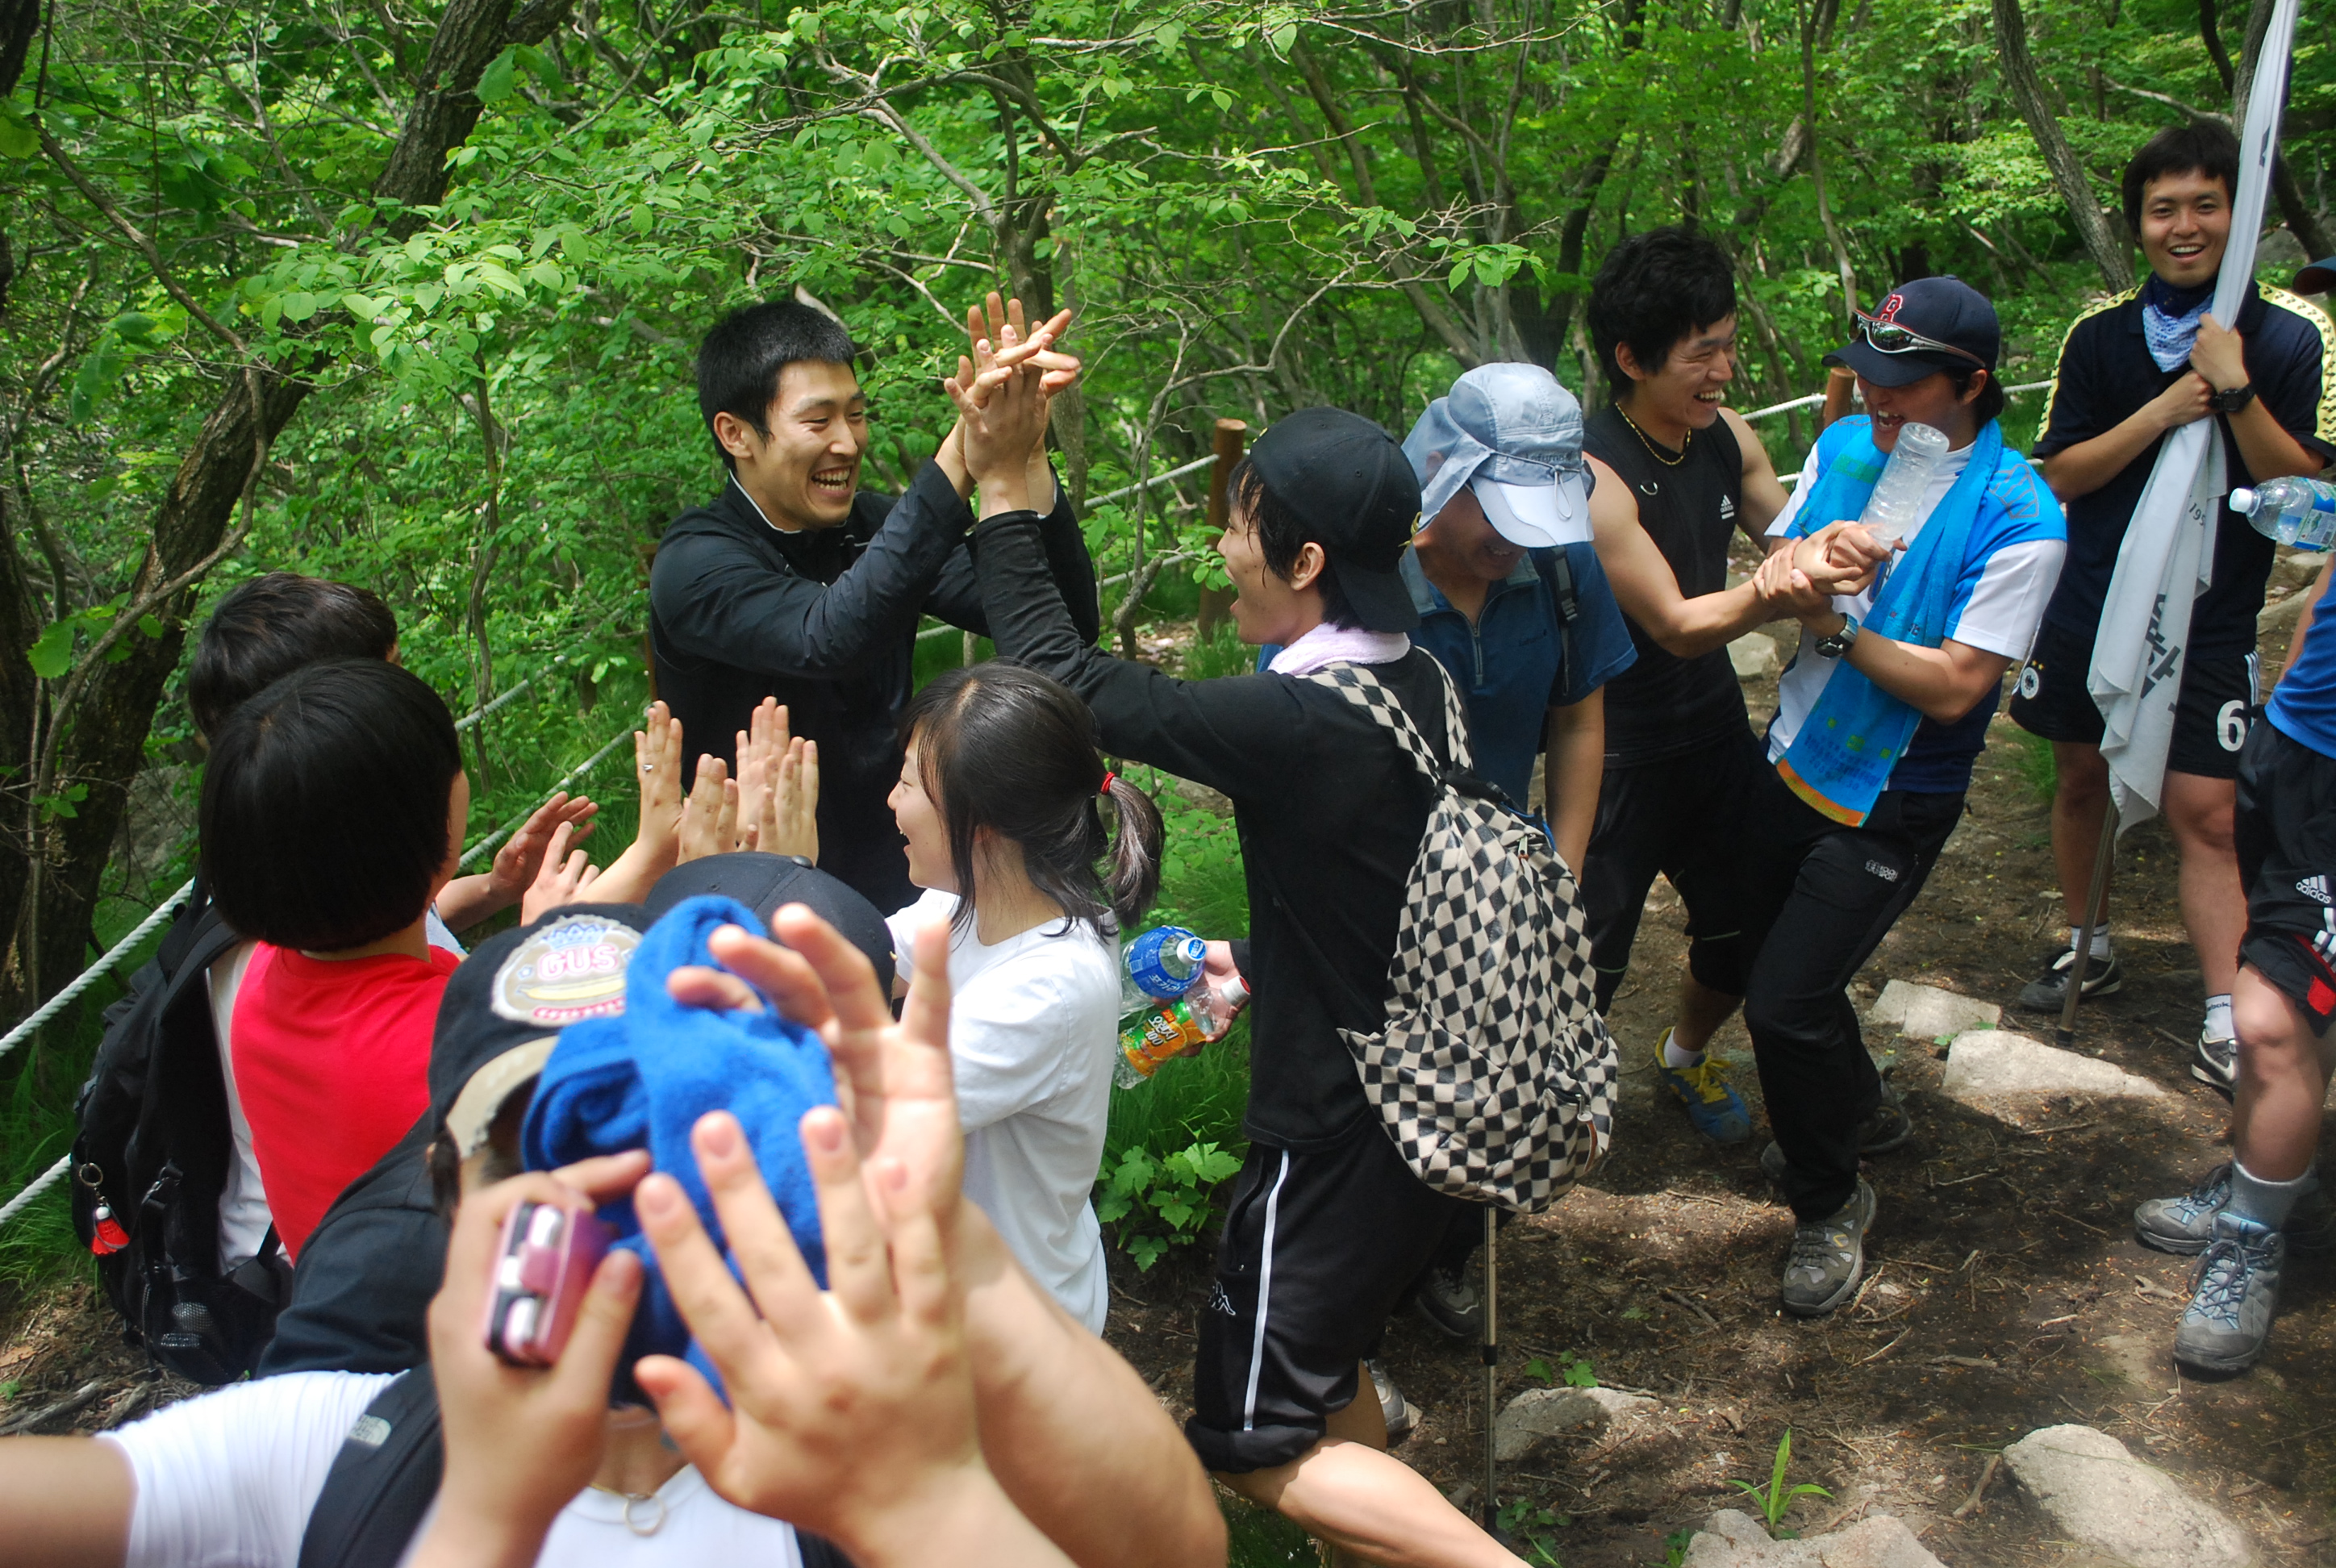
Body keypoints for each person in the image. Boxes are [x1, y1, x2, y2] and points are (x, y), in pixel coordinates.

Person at [3, 907, 1227, 1568]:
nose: (618, 1196)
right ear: (445, 1193)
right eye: (538, 1143)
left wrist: (955, 1250)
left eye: (667, 1134)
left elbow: (1176, 1553)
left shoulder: (865, 1441)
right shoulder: (326, 1460)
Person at [953, 341, 1532, 1563]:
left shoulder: (1300, 719)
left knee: (1250, 1442)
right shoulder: (1417, 683)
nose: (1223, 546)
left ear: (1305, 561)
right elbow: (1379, 895)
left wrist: (1003, 486)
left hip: (1333, 1135)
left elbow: (1060, 681)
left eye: (1238, 525)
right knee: (1322, 1370)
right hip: (1421, 1105)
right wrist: (1260, 960)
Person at [1748, 276, 2066, 1316]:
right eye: (1869, 375)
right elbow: (1779, 546)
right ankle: (1859, 1105)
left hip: (1895, 791)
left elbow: (1959, 686)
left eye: (1906, 382)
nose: (1879, 399)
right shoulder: (1847, 445)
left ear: (1970, 385)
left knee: (1785, 1003)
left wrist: (1837, 625)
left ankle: (1828, 1201)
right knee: (1775, 970)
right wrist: (1805, 561)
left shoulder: (2020, 515)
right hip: (1790, 750)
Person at [2009, 121, 2336, 1091]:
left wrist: (2233, 392)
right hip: (2090, 596)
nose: (2183, 226)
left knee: (2208, 810)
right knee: (2079, 775)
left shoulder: (2292, 334)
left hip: (2213, 606)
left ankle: (2226, 1011)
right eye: (2163, 209)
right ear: (2138, 222)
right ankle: (2089, 941)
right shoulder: (2099, 333)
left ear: (2239, 215)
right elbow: (2058, 473)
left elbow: (2305, 494)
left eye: (2205, 205)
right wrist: (2159, 413)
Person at [647, 294, 1095, 911]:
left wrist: (1025, 454)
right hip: (749, 891)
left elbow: (1060, 624)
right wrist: (963, 449)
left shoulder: (876, 527)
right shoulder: (695, 562)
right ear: (736, 434)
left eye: (856, 415)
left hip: (901, 872)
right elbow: (828, 637)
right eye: (818, 421)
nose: (848, 442)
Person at [1392, 361, 1636, 1350]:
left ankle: (1447, 1251)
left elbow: (1577, 719)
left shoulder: (1562, 574)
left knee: (1494, 1078)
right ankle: (1360, 1295)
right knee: (1382, 1087)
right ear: (1444, 476)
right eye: (1496, 513)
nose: (1511, 542)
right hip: (1381, 880)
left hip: (1503, 875)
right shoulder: (1367, 573)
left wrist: (1560, 871)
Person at [1579, 227, 1798, 1148]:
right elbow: (1671, 622)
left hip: (1713, 730)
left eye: (1728, 345)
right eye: (1701, 353)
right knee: (1586, 953)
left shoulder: (1727, 437)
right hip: (1614, 749)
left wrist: (1827, 554)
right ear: (1631, 358)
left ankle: (1684, 1054)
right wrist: (1782, 588)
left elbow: (1785, 534)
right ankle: (1548, 1106)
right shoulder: (1590, 472)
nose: (1724, 371)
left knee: (1748, 922)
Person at [885, 662, 1162, 1332]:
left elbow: (864, 1120)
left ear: (979, 821)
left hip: (1016, 1333)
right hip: (969, 1296)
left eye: (908, 783)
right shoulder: (965, 903)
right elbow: (868, 960)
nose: (892, 801)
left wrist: (789, 880)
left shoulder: (1048, 988)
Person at [198, 659, 473, 1261]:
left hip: (341, 1297)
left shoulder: (261, 980)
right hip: (454, 1309)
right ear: (421, 830)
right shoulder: (458, 1042)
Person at [2138, 547, 2336, 1372]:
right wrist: (2287, 699)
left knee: (2266, 1017)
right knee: (2299, 990)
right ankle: (2277, 1172)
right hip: (2297, 748)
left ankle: (2251, 1237)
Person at [188, 570, 599, 946]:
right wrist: (542, 944)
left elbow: (404, 920)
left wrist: (495, 888)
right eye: (394, 674)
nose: (411, 692)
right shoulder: (260, 952)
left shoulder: (294, 889)